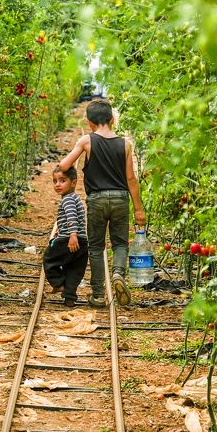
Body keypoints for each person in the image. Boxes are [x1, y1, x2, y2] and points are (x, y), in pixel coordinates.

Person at [57, 99, 146, 307]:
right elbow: (131, 179)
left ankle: (98, 295)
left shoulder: (86, 141)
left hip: (96, 200)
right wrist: (139, 209)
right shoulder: (125, 144)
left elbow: (64, 164)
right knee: (120, 243)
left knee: (96, 247)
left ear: (89, 122)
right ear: (112, 120)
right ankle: (117, 274)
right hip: (120, 199)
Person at [43, 166, 88, 306]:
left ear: (73, 183)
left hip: (68, 239)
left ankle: (58, 283)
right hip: (82, 242)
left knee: (50, 259)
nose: (57, 184)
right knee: (74, 270)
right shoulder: (75, 198)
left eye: (62, 181)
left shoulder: (67, 199)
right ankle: (69, 297)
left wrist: (72, 235)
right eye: (55, 181)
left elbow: (71, 217)